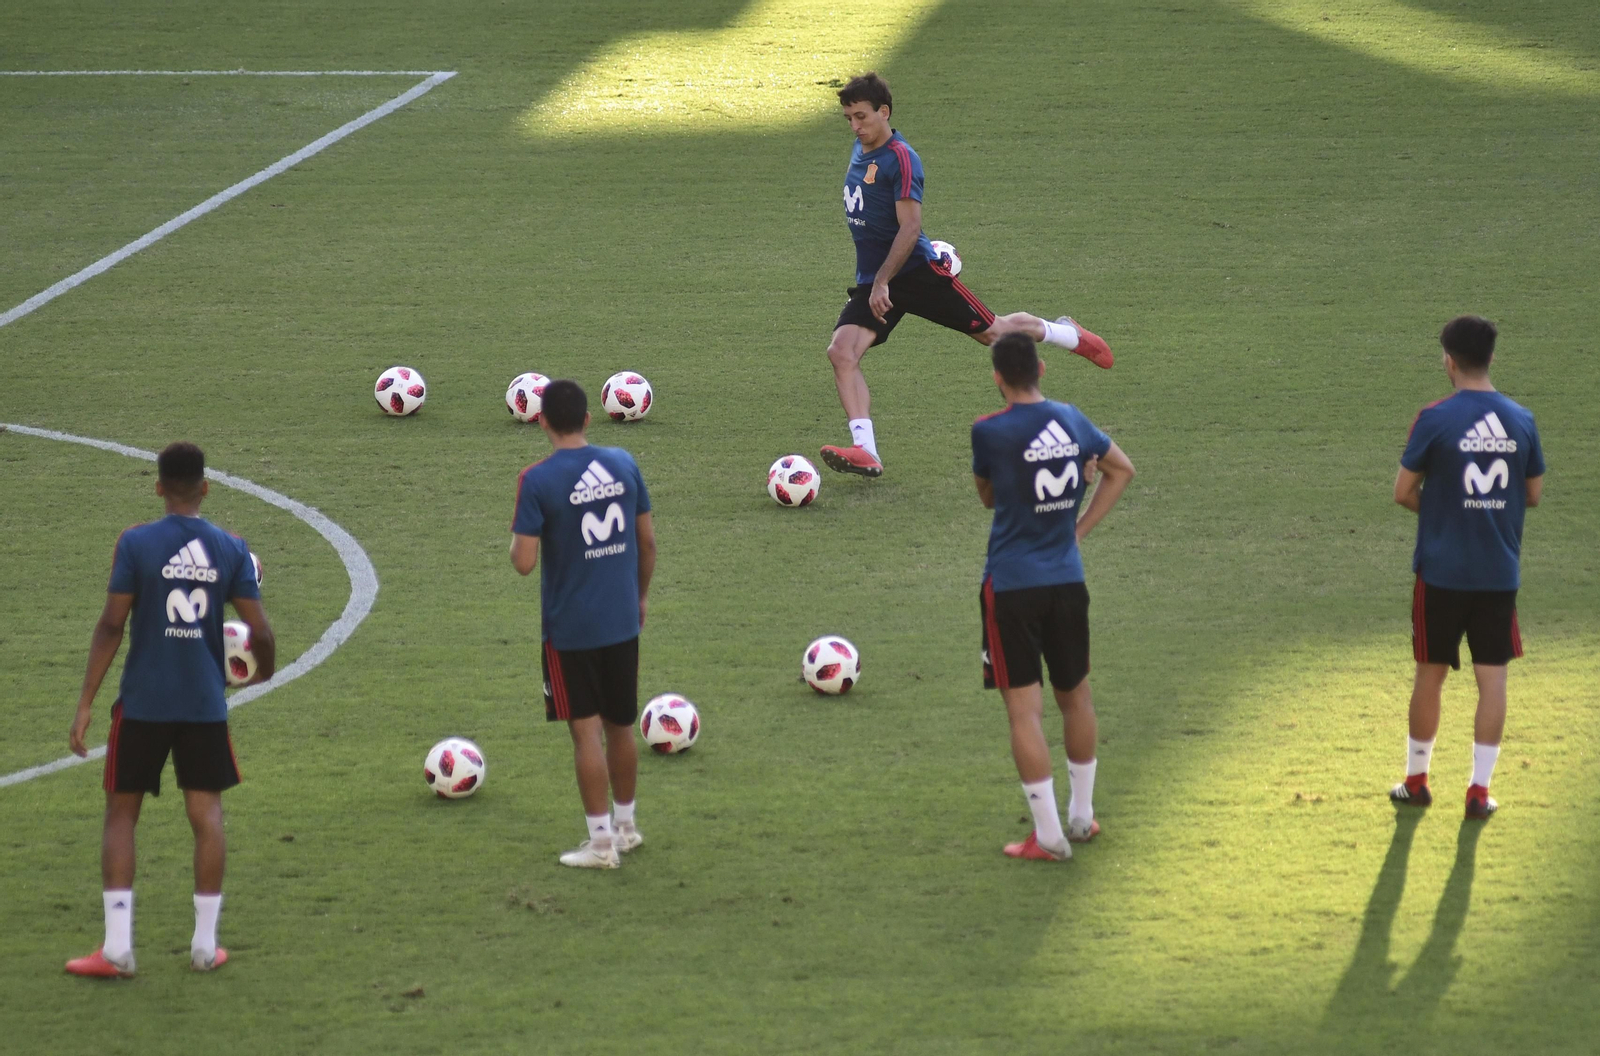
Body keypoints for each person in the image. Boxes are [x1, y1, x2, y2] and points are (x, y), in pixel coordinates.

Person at [821, 71, 1116, 480]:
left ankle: (1066, 332)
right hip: (877, 279)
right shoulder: (861, 149)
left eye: (861, 117)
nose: (854, 126)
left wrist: (885, 280)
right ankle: (865, 450)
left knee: (995, 335)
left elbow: (910, 228)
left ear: (884, 112)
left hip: (914, 274)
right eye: (848, 119)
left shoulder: (902, 158)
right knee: (842, 352)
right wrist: (878, 281)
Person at [65, 441, 276, 977]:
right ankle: (205, 946)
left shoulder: (136, 543)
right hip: (204, 705)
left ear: (159, 487)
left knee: (121, 814)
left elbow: (112, 624)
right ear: (205, 486)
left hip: (142, 703)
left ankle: (117, 949)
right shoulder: (230, 548)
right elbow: (260, 631)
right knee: (206, 816)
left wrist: (86, 702)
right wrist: (266, 669)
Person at [972, 333, 1134, 860]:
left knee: (1025, 713)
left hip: (1013, 585)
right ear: (1041, 367)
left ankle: (1047, 837)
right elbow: (1122, 470)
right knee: (1077, 698)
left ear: (998, 377)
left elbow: (989, 497)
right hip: (1068, 579)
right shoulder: (1072, 419)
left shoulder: (989, 432)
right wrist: (1077, 529)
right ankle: (1082, 818)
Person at [1391, 315, 1544, 820]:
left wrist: (1443, 510)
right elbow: (1533, 494)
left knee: (1430, 675)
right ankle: (1479, 791)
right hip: (1498, 573)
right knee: (1493, 678)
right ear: (1492, 358)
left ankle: (1417, 781)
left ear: (1450, 361)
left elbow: (1402, 492)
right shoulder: (1521, 419)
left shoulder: (1434, 418)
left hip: (1441, 572)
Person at [510, 380, 657, 868]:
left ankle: (599, 845)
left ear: (542, 421)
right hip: (621, 619)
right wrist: (639, 598)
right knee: (621, 727)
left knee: (585, 733)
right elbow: (648, 543)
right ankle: (627, 828)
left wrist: (525, 537)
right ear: (589, 419)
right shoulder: (623, 462)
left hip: (571, 629)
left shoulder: (537, 479)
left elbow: (524, 563)